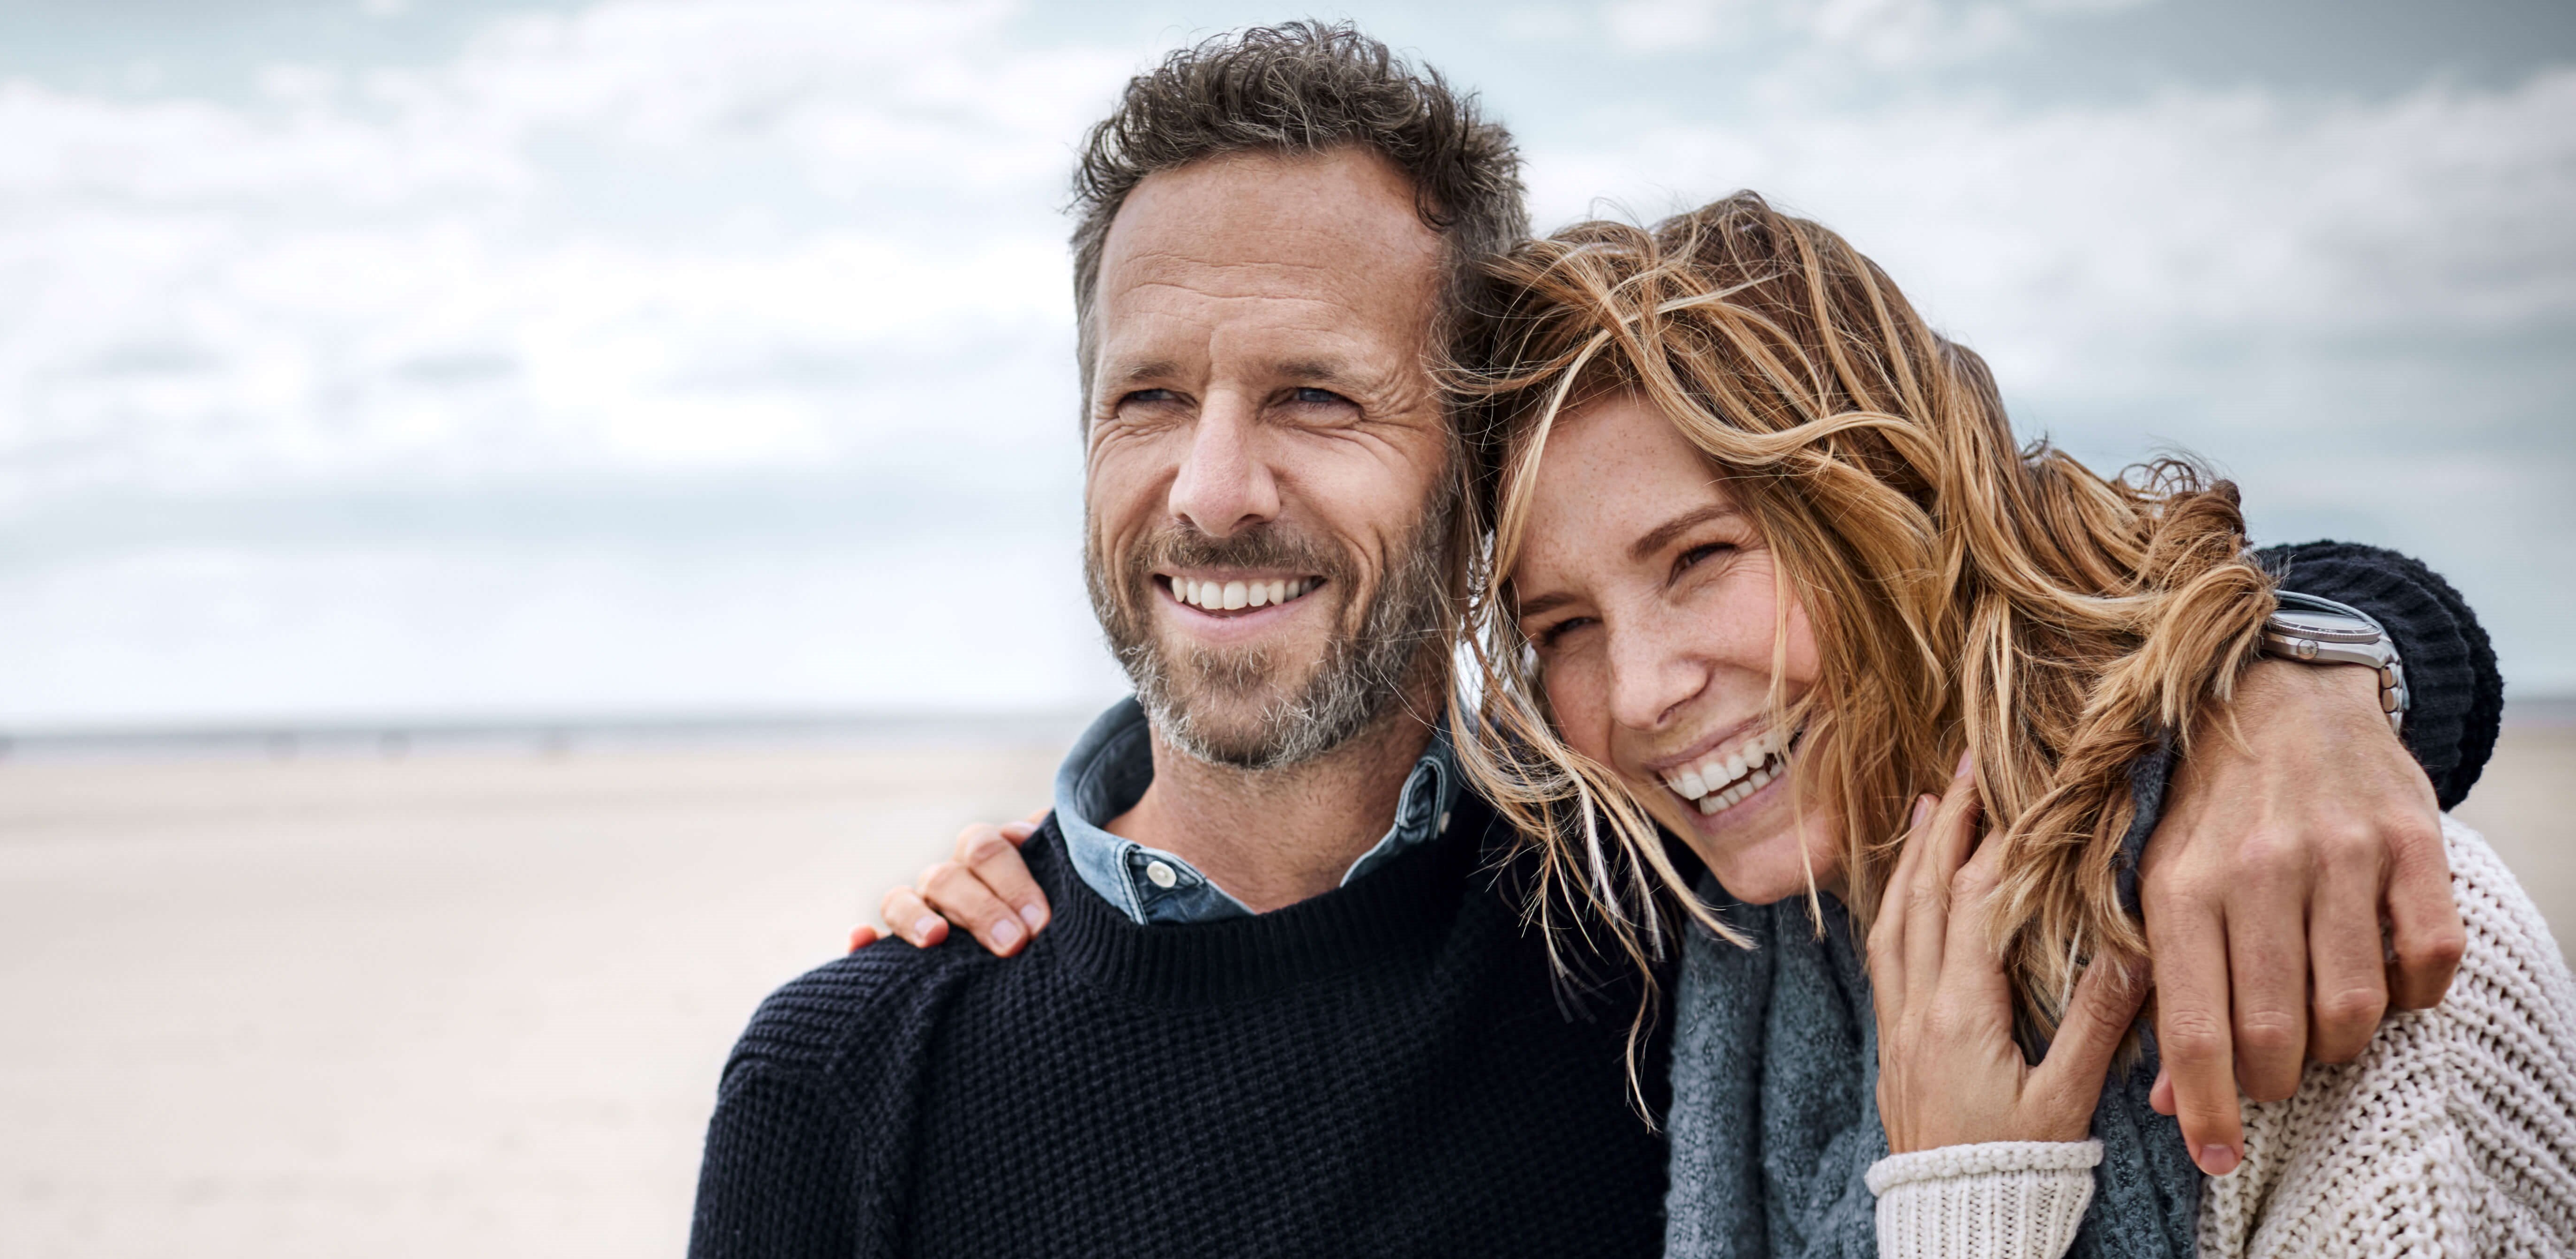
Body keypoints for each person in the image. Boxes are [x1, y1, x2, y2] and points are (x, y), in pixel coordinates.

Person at [705, 23, 2497, 1257]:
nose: (1216, 482)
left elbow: (2041, 633)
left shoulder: (1656, 923)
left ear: (1477, 484)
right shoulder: (856, 1068)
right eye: (1148, 397)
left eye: (1317, 396)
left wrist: (2304, 681)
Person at [1449, 195, 2573, 1256]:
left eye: (1699, 557)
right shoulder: (1703, 949)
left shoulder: (2321, 919)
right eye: (1563, 626)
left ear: (1894, 508)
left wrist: (1965, 1211)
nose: (1641, 691)